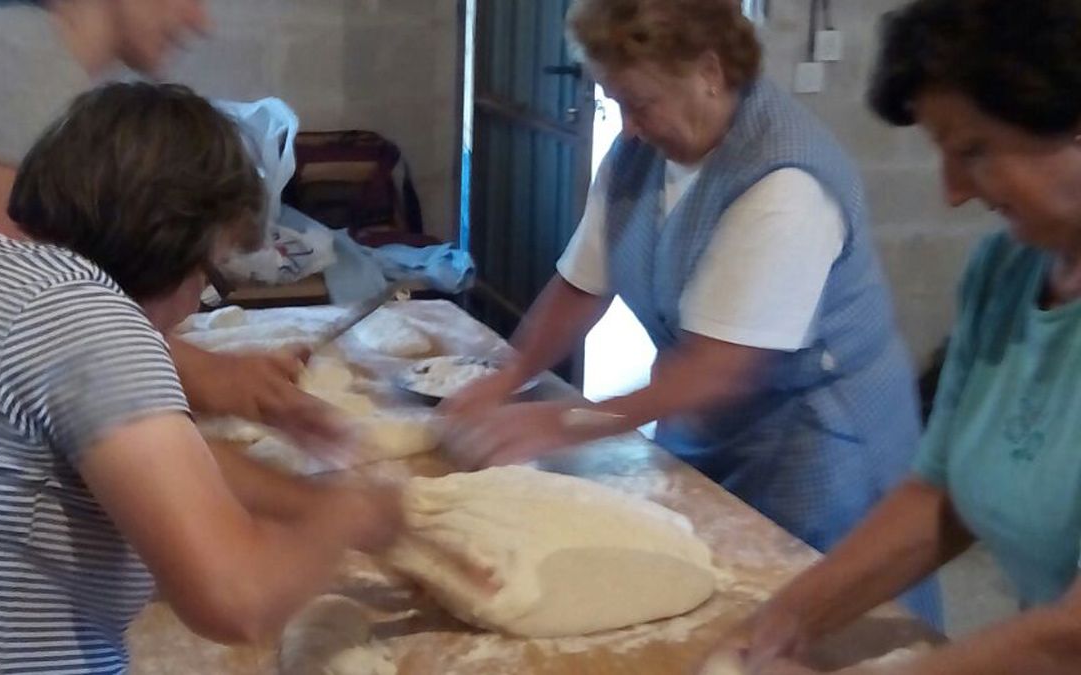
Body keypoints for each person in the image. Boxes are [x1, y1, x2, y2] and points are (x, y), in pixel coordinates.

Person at [0, 82, 403, 674]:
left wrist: (302, 499)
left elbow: (123, 464)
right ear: (169, 241)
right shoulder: (85, 314)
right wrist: (344, 515)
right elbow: (236, 599)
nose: (194, 303)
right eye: (210, 271)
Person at [445, 0, 938, 622]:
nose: (627, 126)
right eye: (613, 101)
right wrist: (506, 378)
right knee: (713, 610)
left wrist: (564, 421)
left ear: (709, 71)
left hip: (818, 446)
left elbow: (719, 369)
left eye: (639, 102)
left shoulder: (784, 180)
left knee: (819, 628)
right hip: (711, 425)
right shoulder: (639, 155)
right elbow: (580, 287)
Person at [710, 0, 1081, 672]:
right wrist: (783, 617)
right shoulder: (1006, 274)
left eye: (974, 150)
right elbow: (940, 494)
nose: (952, 191)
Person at [0, 0, 334, 442]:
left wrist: (218, 373)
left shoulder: (24, 49)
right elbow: (11, 309)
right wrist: (209, 376)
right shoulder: (27, 60)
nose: (200, 20)